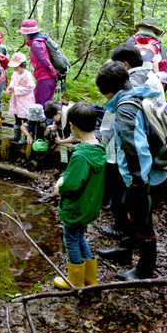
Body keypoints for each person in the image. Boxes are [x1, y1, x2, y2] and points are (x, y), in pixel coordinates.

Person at [95, 61, 167, 280]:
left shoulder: (125, 108)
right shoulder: (137, 94)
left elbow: (136, 147)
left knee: (143, 221)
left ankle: (145, 269)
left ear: (109, 89)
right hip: (141, 174)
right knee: (132, 214)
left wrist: (138, 179)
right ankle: (125, 251)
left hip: (142, 177)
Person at [52, 102, 107, 289]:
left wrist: (60, 185)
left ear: (72, 126)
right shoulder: (99, 147)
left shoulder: (80, 155)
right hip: (89, 205)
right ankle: (90, 278)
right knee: (79, 236)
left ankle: (75, 279)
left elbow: (71, 185)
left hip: (76, 207)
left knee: (70, 238)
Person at [17, 19, 57, 107]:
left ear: (27, 33)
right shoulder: (42, 40)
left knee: (39, 105)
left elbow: (44, 60)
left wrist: (52, 72)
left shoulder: (35, 44)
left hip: (45, 78)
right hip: (49, 78)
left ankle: (43, 121)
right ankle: (49, 120)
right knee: (48, 105)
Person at [5, 52, 36, 141]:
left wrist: (16, 89)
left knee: (25, 116)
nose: (14, 68)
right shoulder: (15, 74)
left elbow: (30, 87)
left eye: (16, 66)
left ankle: (27, 135)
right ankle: (17, 133)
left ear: (22, 65)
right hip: (16, 98)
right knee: (17, 116)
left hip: (25, 99)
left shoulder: (27, 75)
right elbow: (12, 83)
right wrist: (11, 88)